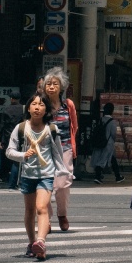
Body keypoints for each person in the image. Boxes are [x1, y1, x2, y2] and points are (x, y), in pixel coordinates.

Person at [6, 92, 70, 260]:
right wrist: (23, 155)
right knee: (29, 210)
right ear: (28, 108)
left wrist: (63, 171)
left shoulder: (51, 129)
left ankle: (41, 242)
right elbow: (9, 151)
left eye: (41, 105)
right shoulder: (21, 128)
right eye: (34, 104)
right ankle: (32, 242)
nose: (37, 107)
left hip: (46, 174)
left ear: (46, 109)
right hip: (27, 175)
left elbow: (57, 152)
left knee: (42, 207)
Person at [42, 68, 78, 230]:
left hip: (65, 148)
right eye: (48, 84)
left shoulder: (68, 104)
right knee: (46, 184)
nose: (51, 86)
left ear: (61, 86)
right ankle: (45, 219)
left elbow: (74, 127)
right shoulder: (40, 104)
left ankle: (62, 214)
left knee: (63, 183)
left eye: (54, 84)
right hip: (45, 150)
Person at [90, 102, 124, 184]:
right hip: (108, 144)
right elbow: (113, 134)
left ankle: (117, 176)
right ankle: (98, 177)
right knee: (104, 159)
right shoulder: (112, 122)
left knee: (110, 159)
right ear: (112, 111)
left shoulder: (100, 120)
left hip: (99, 142)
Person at [0, 91, 24, 188]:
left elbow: (2, 125)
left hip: (8, 136)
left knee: (9, 158)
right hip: (21, 136)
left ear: (12, 98)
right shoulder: (23, 109)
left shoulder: (6, 110)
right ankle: (17, 181)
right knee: (18, 160)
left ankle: (9, 180)